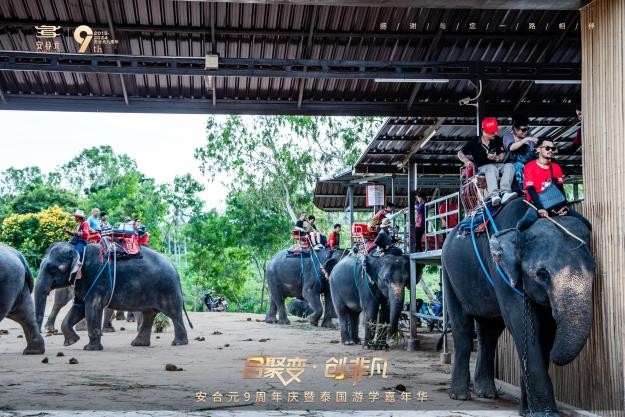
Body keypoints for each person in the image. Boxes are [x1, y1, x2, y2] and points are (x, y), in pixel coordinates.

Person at [517, 138, 586, 230]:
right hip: (536, 203)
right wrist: (540, 208)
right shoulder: (529, 166)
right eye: (547, 148)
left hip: (554, 202)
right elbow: (531, 189)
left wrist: (563, 206)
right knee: (522, 226)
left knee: (585, 223)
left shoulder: (556, 168)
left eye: (553, 149)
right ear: (538, 149)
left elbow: (560, 188)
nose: (550, 150)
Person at [458, 117, 517, 207]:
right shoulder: (473, 142)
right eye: (491, 132)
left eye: (495, 131)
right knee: (491, 168)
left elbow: (502, 156)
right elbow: (460, 153)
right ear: (483, 130)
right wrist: (466, 161)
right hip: (482, 167)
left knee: (509, 166)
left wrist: (496, 158)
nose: (495, 133)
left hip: (497, 164)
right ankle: (494, 195)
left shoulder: (497, 140)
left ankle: (505, 193)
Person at [503, 114, 539, 187]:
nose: (526, 132)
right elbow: (511, 148)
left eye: (527, 129)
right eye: (523, 129)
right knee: (519, 165)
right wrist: (526, 139)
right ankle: (523, 189)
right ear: (515, 129)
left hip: (528, 163)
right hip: (512, 163)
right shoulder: (508, 136)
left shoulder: (529, 135)